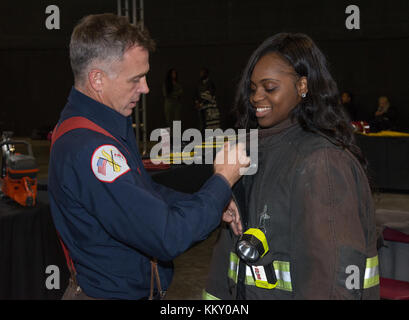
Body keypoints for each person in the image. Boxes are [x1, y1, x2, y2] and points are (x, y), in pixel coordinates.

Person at [48, 13, 250, 300]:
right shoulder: (92, 150)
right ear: (97, 79)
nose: (146, 88)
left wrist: (208, 203)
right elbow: (166, 237)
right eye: (136, 79)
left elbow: (144, 193)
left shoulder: (107, 124)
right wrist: (221, 181)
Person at [204, 33, 379, 300]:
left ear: (302, 86)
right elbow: (225, 264)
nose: (256, 97)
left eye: (269, 87)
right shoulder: (250, 154)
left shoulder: (322, 164)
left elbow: (333, 286)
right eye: (253, 88)